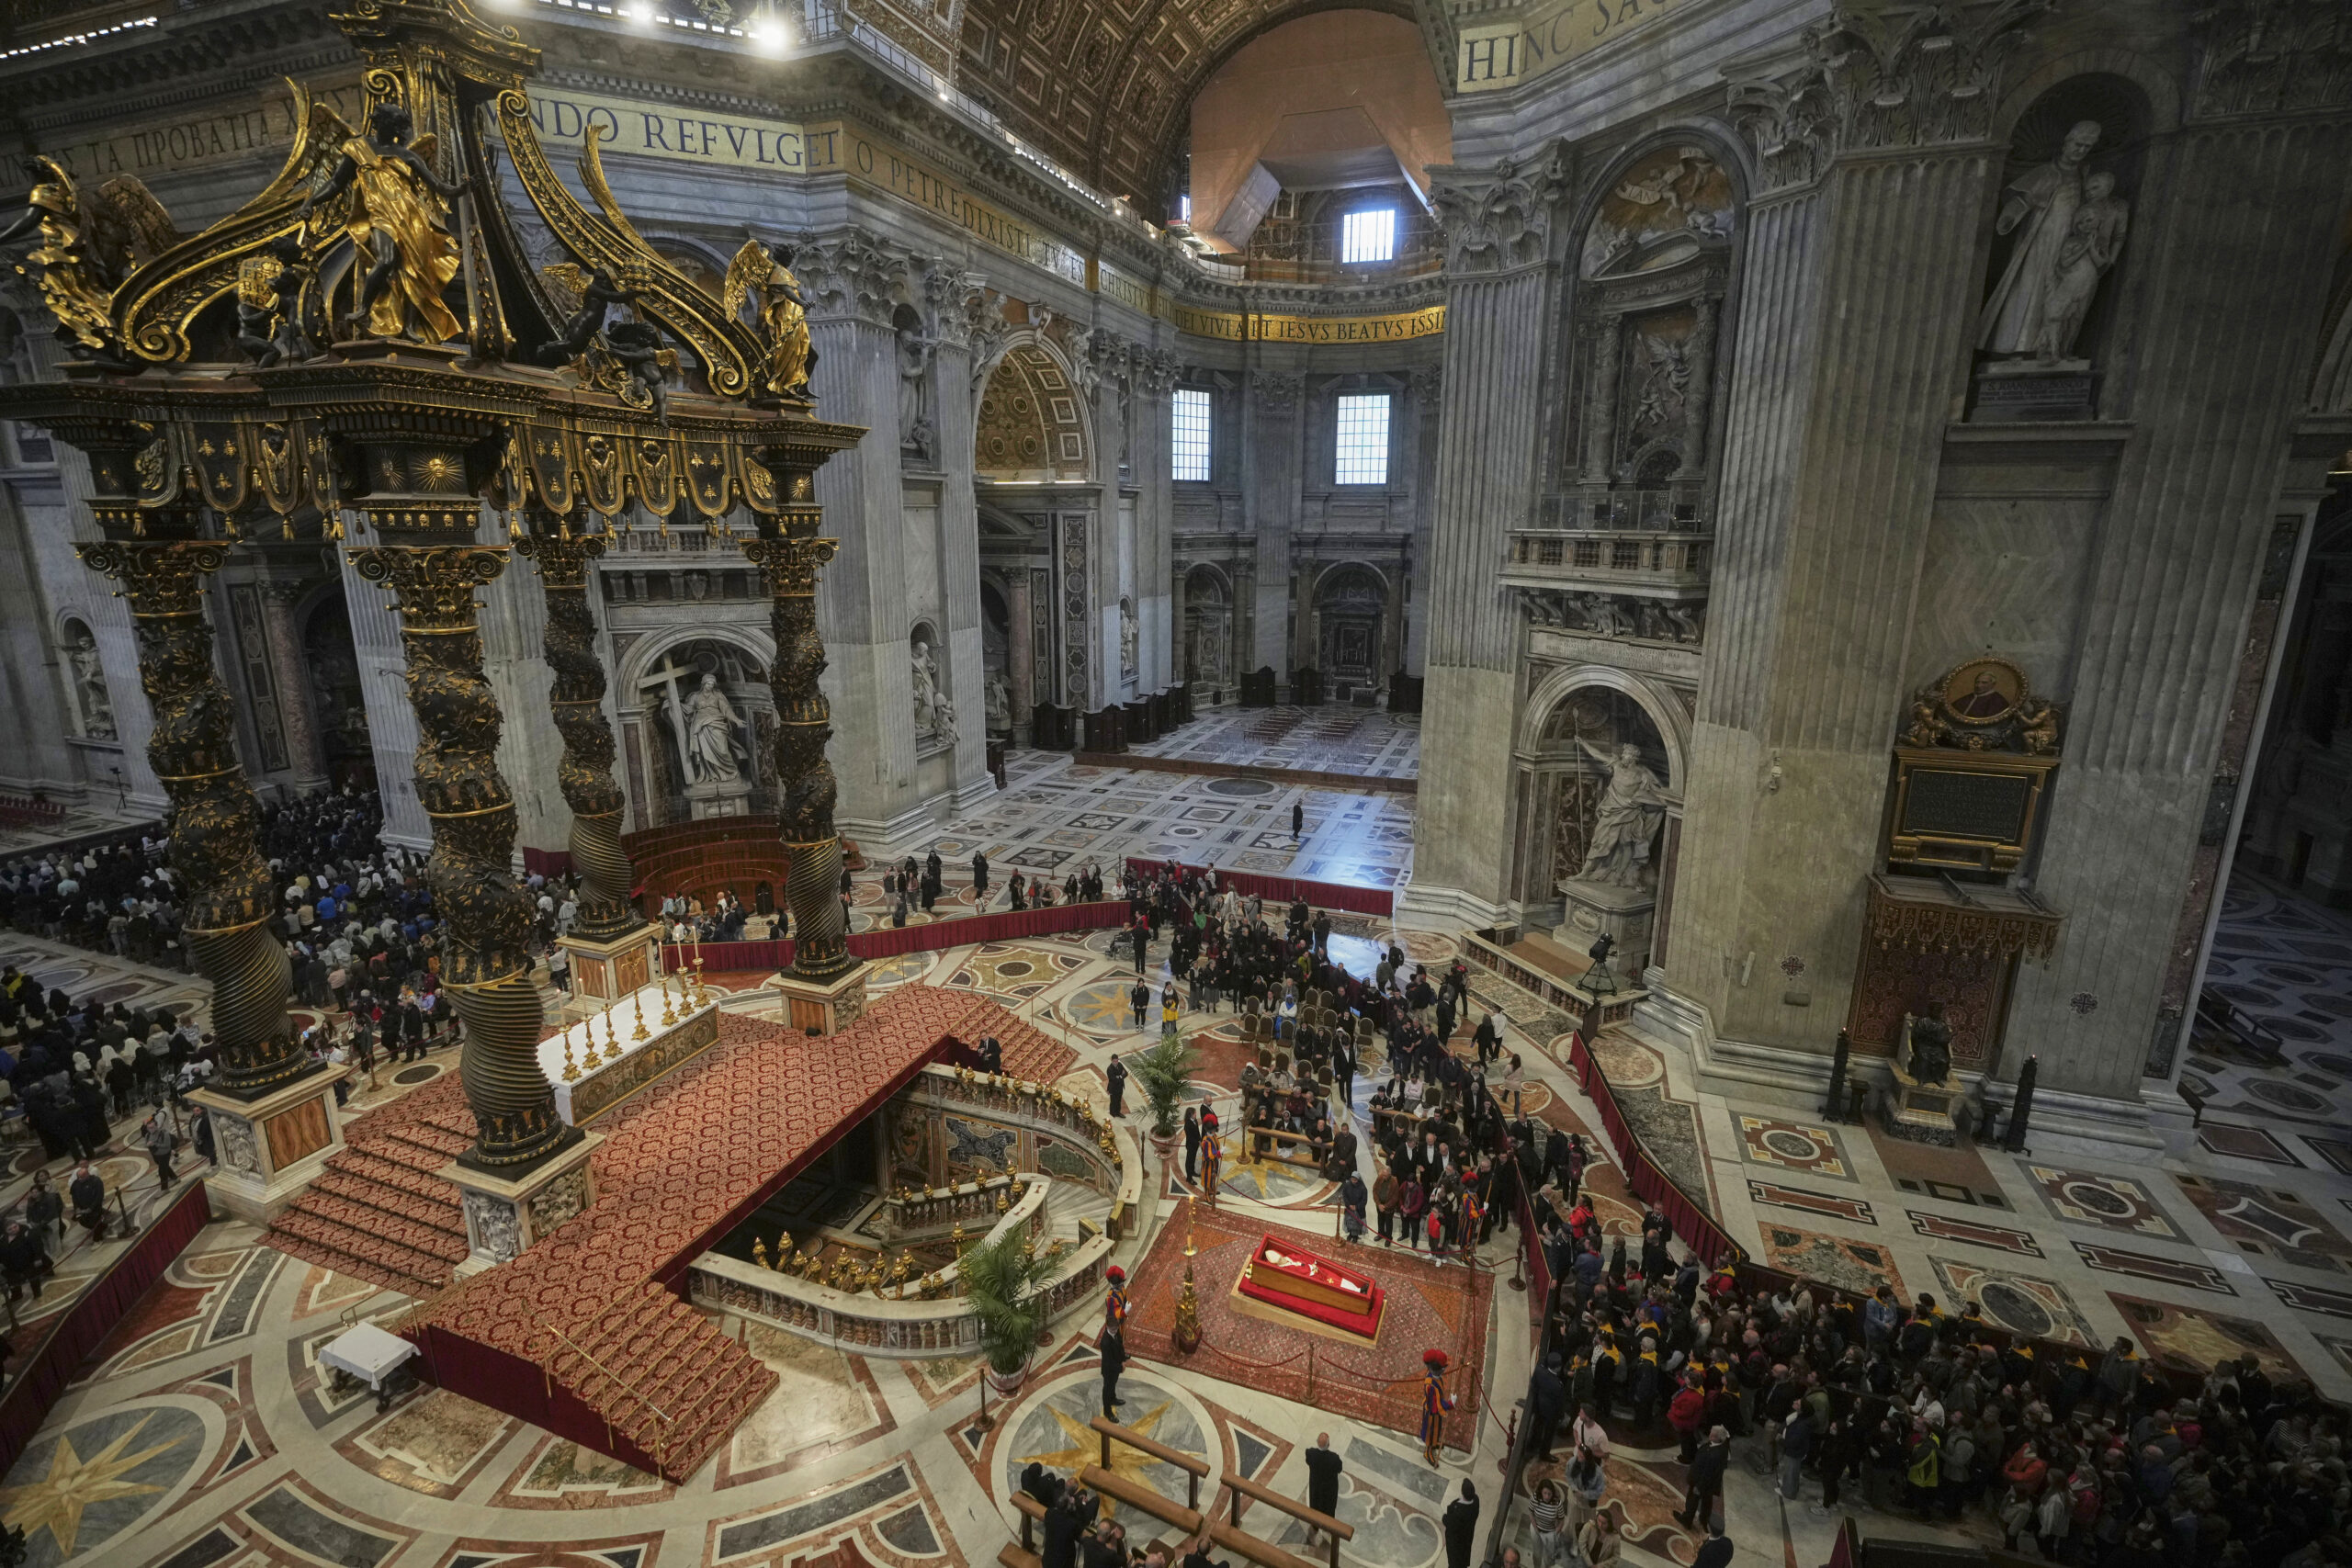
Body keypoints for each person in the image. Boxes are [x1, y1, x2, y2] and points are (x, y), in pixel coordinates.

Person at [1678, 1426, 1728, 1528]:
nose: (1710, 1435)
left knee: (1692, 1500)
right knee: (1706, 1501)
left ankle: (1687, 1520)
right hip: (1707, 1483)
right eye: (1711, 1433)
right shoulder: (1716, 1446)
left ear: (1719, 1438)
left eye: (1713, 1435)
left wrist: (1698, 1487)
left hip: (1701, 1482)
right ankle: (1704, 1519)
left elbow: (1708, 1473)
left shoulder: (1715, 1454)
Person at [1304, 1434, 1342, 1545]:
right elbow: (1339, 1468)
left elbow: (1308, 1461)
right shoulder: (1334, 1458)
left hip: (1316, 1489)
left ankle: (1315, 1526)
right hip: (1329, 1491)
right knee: (1328, 1509)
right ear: (1328, 1444)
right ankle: (1327, 1527)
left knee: (1315, 1506)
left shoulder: (1311, 1454)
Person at [1442, 1479, 1478, 1568]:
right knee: (1463, 1557)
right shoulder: (1476, 1500)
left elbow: (1449, 1523)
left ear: (1462, 1492)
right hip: (1467, 1537)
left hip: (1456, 1543)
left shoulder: (1457, 1511)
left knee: (1455, 1562)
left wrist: (1444, 1517)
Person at [1530, 1478, 1565, 1568]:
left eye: (1549, 1494)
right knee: (1537, 1553)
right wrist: (1536, 1529)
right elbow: (1530, 1512)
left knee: (1548, 1558)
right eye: (1545, 1493)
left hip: (1550, 1532)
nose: (1547, 1497)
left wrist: (1555, 1533)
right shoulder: (1535, 1497)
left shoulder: (1557, 1503)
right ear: (1541, 1491)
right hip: (1536, 1529)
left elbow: (1561, 1520)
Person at [142, 1112, 175, 1190]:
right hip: (156, 1156)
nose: (151, 1129)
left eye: (153, 1127)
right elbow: (145, 1145)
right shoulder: (147, 1136)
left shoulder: (164, 1133)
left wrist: (155, 1144)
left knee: (162, 1172)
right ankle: (175, 1178)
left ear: (156, 1126)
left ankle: (164, 1189)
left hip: (164, 1154)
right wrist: (148, 1145)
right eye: (149, 1128)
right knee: (165, 1167)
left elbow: (167, 1145)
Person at [1099, 1323, 1126, 1416]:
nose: (1115, 1331)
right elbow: (1108, 1362)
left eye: (1116, 1329)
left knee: (1113, 1384)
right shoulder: (1105, 1342)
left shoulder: (1116, 1331)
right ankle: (1107, 1412)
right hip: (1109, 1370)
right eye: (1113, 1329)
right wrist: (1120, 1368)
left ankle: (1113, 1399)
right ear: (1107, 1327)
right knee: (1107, 1390)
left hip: (1116, 1366)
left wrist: (1123, 1360)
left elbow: (1120, 1345)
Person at [1182, 1105, 1202, 1184]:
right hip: (1191, 1145)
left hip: (1195, 1144)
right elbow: (1190, 1137)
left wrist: (1200, 1139)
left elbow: (1197, 1132)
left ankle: (1192, 1171)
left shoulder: (1195, 1121)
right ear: (1191, 1115)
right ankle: (1189, 1178)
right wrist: (1198, 1142)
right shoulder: (1188, 1125)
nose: (1196, 1114)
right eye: (1195, 1113)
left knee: (1193, 1159)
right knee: (1189, 1162)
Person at [1106, 1054, 1127, 1118]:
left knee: (1118, 1100)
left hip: (1120, 1086)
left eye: (1117, 1061)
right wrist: (1121, 1076)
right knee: (1113, 1101)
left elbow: (1126, 1073)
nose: (1116, 1062)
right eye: (1114, 1061)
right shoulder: (1109, 1069)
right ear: (1111, 1061)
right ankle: (1112, 1113)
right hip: (1113, 1088)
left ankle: (1118, 1112)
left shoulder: (1120, 1065)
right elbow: (1113, 1079)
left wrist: (1119, 1076)